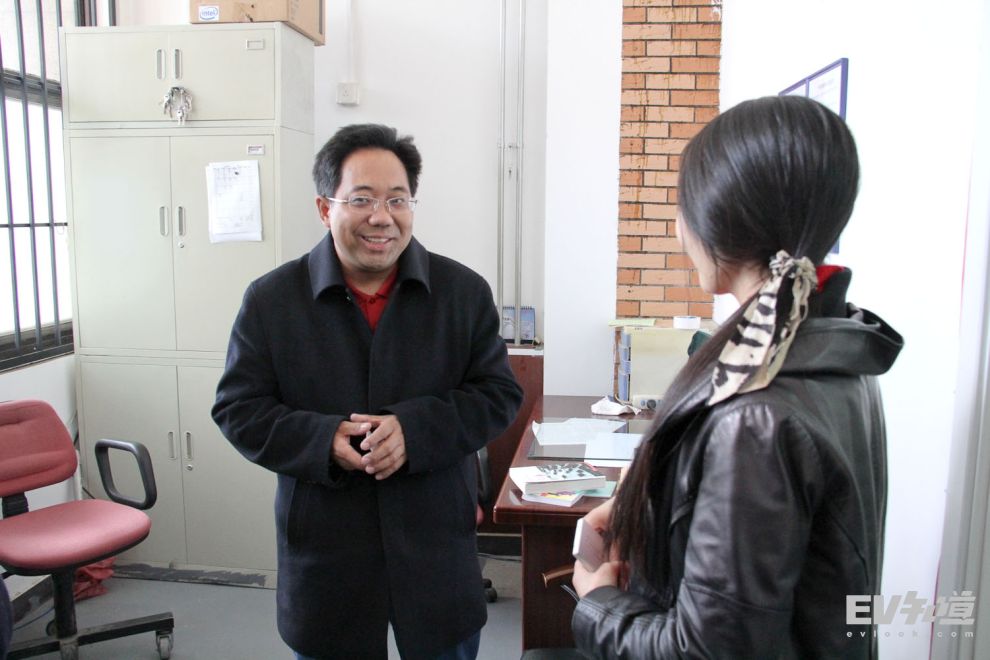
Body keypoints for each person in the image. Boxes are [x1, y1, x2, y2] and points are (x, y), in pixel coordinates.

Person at [571, 96, 903, 658]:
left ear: (718, 218)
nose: (680, 232)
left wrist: (598, 603)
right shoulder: (833, 349)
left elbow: (706, 650)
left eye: (683, 208)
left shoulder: (756, 413)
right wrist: (647, 507)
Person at [212, 124, 523, 660]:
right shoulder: (272, 301)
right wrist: (323, 439)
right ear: (324, 208)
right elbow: (238, 409)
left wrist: (414, 431)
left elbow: (498, 394)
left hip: (435, 543)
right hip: (326, 550)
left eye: (397, 200)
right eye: (361, 199)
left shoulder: (462, 293)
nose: (382, 217)